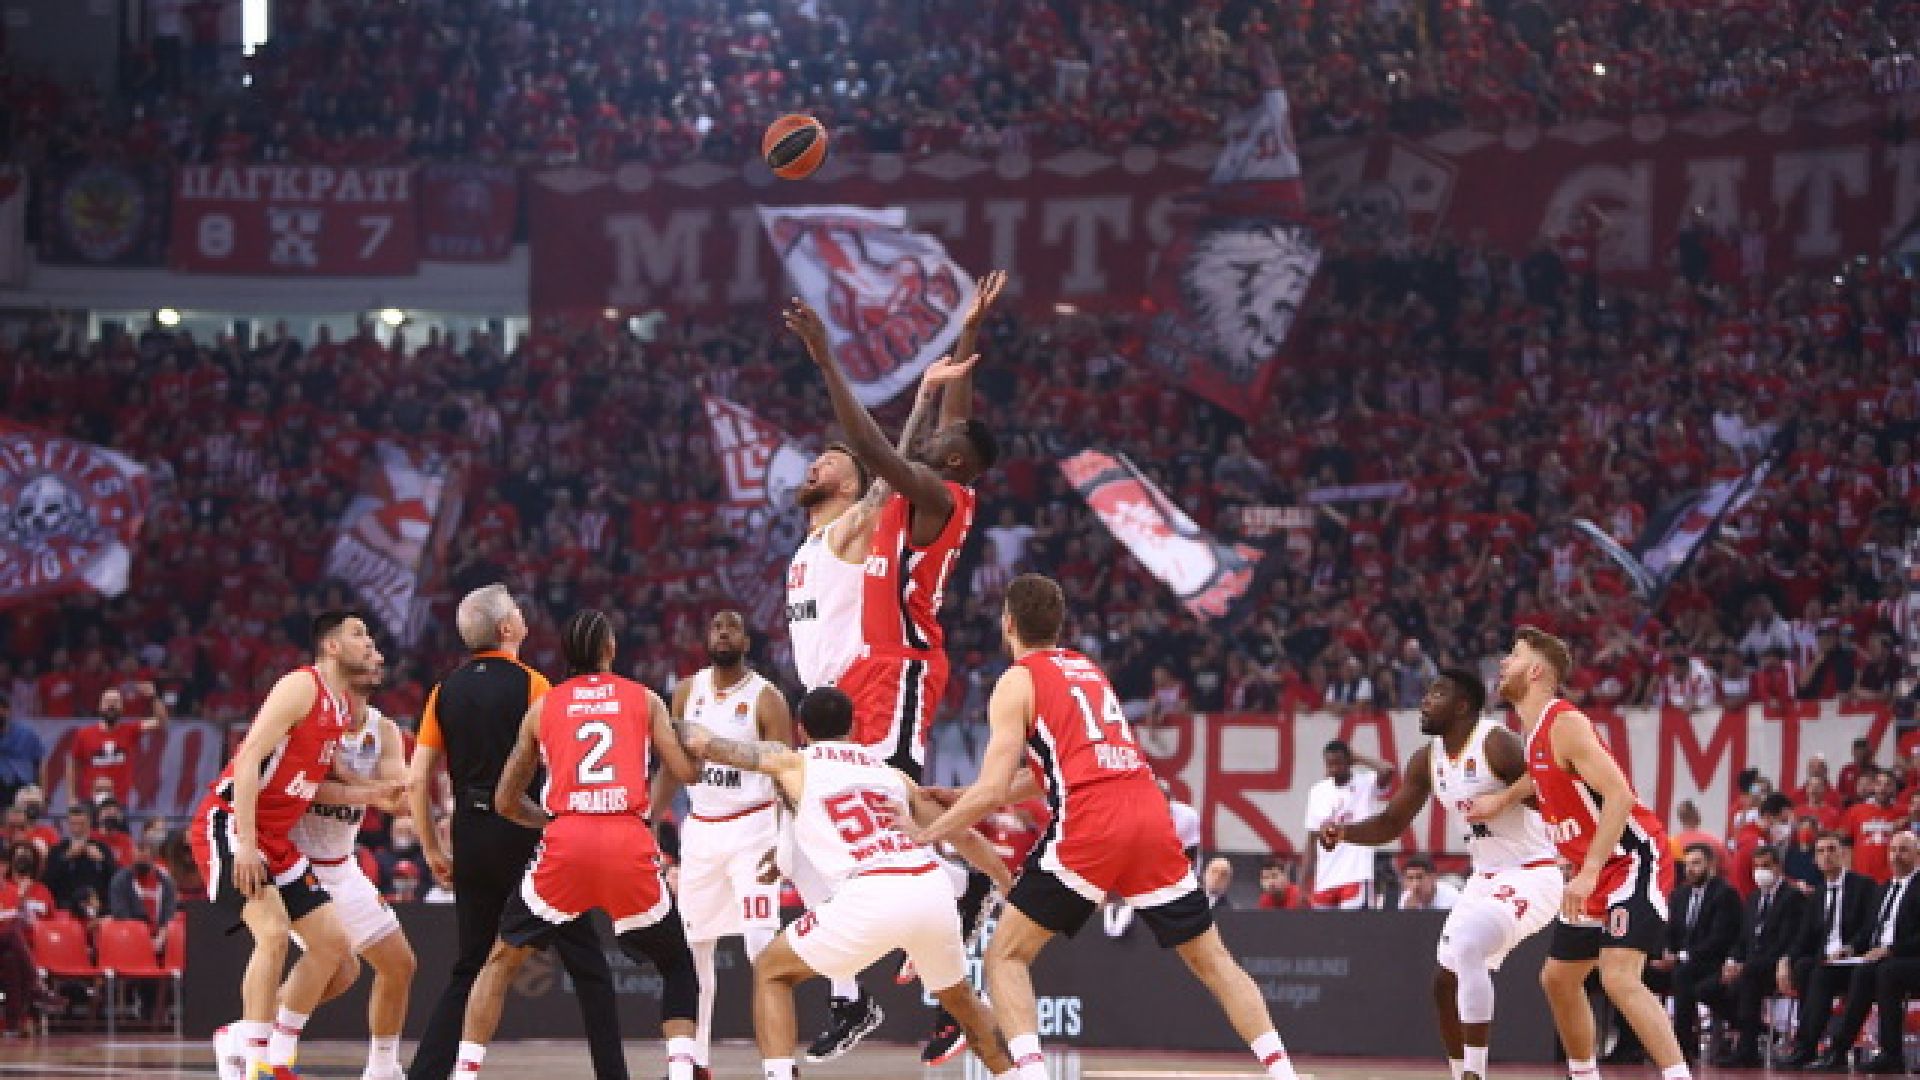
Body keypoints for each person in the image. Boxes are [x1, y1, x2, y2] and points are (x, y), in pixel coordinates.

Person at [916, 574, 1303, 1080]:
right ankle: (1283, 1072)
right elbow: (1047, 771)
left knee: (1005, 955)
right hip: (1149, 812)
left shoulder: (1016, 680)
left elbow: (994, 792)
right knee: (1214, 960)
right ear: (1059, 624)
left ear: (1007, 623)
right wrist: (963, 795)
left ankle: (1031, 1075)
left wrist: (926, 834)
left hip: (1093, 821)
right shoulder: (1087, 669)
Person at [781, 274, 1004, 1064]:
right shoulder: (929, 482)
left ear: (954, 462)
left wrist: (826, 360)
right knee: (826, 834)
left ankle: (965, 890)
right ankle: (887, 978)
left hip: (897, 669)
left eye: (945, 442)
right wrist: (965, 339)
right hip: (867, 678)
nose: (936, 439)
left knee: (889, 819)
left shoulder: (935, 495)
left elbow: (879, 448)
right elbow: (946, 427)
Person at [683, 685, 1018, 1079]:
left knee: (771, 970)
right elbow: (963, 835)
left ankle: (782, 1071)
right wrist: (1006, 881)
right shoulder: (890, 774)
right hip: (929, 887)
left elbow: (711, 746)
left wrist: (667, 722)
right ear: (854, 728)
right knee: (964, 1004)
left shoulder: (794, 762)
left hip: (871, 891)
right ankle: (1017, 1074)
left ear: (801, 729)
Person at [451, 609, 702, 1080]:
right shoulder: (643, 698)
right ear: (610, 649)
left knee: (500, 961)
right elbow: (686, 773)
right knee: (675, 964)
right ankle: (683, 1070)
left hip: (567, 841)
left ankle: (465, 1073)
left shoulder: (544, 706)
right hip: (627, 839)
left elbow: (505, 800)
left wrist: (549, 820)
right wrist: (691, 748)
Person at [407, 585, 631, 1080]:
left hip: (469, 833)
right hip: (525, 830)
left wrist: (431, 847)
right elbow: (563, 761)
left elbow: (417, 778)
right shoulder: (534, 684)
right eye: (517, 613)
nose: (524, 618)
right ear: (506, 629)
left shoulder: (444, 690)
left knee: (470, 966)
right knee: (588, 964)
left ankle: (426, 1074)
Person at [1470, 627, 1688, 1080]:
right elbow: (1541, 773)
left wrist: (1588, 872)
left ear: (1536, 671)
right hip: (1594, 869)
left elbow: (1620, 795)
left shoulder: (1564, 723)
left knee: (1618, 976)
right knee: (1558, 978)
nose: (1503, 663)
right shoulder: (1534, 732)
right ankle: (1584, 1075)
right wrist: (1503, 800)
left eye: (1514, 655)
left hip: (1630, 859)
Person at [1320, 670, 1559, 1080]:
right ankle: (1458, 1072)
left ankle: (1475, 1076)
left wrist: (1504, 801)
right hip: (1485, 877)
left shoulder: (1495, 742)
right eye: (1428, 693)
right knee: (1443, 984)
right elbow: (1392, 823)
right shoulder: (1426, 760)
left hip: (1533, 872)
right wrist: (1345, 833)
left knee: (1468, 946)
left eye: (1437, 694)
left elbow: (1548, 789)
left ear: (1462, 706)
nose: (1425, 701)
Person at [186, 610, 378, 1080]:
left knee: (339, 959)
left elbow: (328, 781)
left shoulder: (340, 708)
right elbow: (249, 756)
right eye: (358, 634)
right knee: (272, 935)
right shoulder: (301, 686)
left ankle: (243, 1036)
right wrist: (246, 844)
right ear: (332, 646)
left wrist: (391, 793)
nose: (368, 642)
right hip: (232, 824)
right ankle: (259, 1061)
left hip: (278, 840)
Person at [216, 664, 414, 1080]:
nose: (349, 699)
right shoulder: (312, 721)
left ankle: (382, 1067)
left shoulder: (384, 731)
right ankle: (268, 1050)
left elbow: (399, 800)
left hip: (343, 863)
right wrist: (368, 790)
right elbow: (306, 786)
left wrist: (383, 790)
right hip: (296, 859)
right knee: (337, 963)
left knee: (398, 964)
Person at [650, 610, 793, 1079]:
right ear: (706, 638)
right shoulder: (685, 692)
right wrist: (647, 820)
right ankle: (697, 1062)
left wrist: (784, 841)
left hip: (754, 832)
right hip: (702, 832)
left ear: (746, 642)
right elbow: (671, 766)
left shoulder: (767, 698)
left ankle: (779, 1064)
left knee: (762, 948)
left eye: (732, 627)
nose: (724, 632)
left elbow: (788, 778)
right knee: (694, 950)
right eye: (716, 627)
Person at [1704, 844, 1805, 1067]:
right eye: (1756, 866)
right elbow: (1742, 939)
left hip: (1777, 965)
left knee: (1747, 978)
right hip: (1749, 966)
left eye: (1766, 866)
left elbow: (1786, 941)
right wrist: (1731, 961)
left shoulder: (1792, 897)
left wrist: (1746, 966)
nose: (1760, 871)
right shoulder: (1752, 898)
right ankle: (1756, 1028)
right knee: (1707, 988)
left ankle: (1747, 1049)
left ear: (1778, 867)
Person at [1647, 844, 1741, 1065]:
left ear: (1711, 865)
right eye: (1687, 864)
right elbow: (1669, 930)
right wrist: (1665, 952)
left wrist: (1680, 957)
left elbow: (1720, 938)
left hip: (1711, 963)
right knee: (1640, 975)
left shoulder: (1725, 894)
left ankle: (1682, 1048)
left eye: (1696, 863)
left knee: (1683, 975)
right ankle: (1634, 1045)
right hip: (1681, 962)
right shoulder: (1679, 894)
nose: (1690, 869)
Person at [1302, 739, 1395, 908]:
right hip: (1325, 878)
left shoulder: (1366, 783)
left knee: (1356, 924)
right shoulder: (1317, 791)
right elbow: (1311, 840)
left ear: (1349, 761)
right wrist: (1303, 885)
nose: (1334, 769)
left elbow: (1388, 770)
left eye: (1338, 763)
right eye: (1330, 764)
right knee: (1322, 925)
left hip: (1356, 873)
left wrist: (1358, 757)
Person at [69, 684, 168, 809]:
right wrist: (71, 797)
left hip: (119, 802)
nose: (111, 706)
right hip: (89, 800)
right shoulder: (84, 734)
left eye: (115, 702)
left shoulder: (130, 730)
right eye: (108, 702)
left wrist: (153, 697)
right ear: (99, 706)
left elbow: (162, 721)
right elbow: (72, 765)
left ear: (122, 707)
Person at [44, 803, 117, 916]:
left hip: (98, 909)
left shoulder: (102, 849)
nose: (77, 828)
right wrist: (66, 858)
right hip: (65, 910)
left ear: (89, 823)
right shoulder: (57, 850)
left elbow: (115, 879)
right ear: (68, 824)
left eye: (81, 824)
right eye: (73, 824)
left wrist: (102, 861)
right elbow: (48, 881)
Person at [1842, 770, 1904, 882]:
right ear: (1873, 786)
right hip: (1860, 876)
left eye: (1888, 784)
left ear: (1894, 789)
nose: (1883, 788)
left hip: (1890, 878)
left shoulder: (1901, 813)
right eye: (1879, 783)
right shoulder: (1856, 810)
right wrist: (1848, 872)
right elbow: (1847, 844)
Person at [0, 696, 44, 811]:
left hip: (23, 788)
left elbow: (40, 763)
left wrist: (42, 792)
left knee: (24, 820)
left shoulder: (26, 734)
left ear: (7, 711)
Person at [1395, 855, 1461, 912]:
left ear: (1433, 878)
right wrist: (1409, 911)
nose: (1415, 884)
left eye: (1419, 877)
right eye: (1410, 878)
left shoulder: (1453, 897)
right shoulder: (1406, 898)